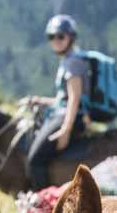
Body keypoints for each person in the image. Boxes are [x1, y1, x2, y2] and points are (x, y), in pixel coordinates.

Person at [24, 14, 89, 192]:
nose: (56, 40)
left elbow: (74, 98)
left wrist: (65, 130)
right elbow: (64, 98)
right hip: (64, 113)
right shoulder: (68, 60)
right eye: (51, 37)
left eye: (61, 36)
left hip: (67, 118)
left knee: (34, 160)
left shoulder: (73, 62)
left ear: (71, 37)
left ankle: (44, 207)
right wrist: (40, 101)